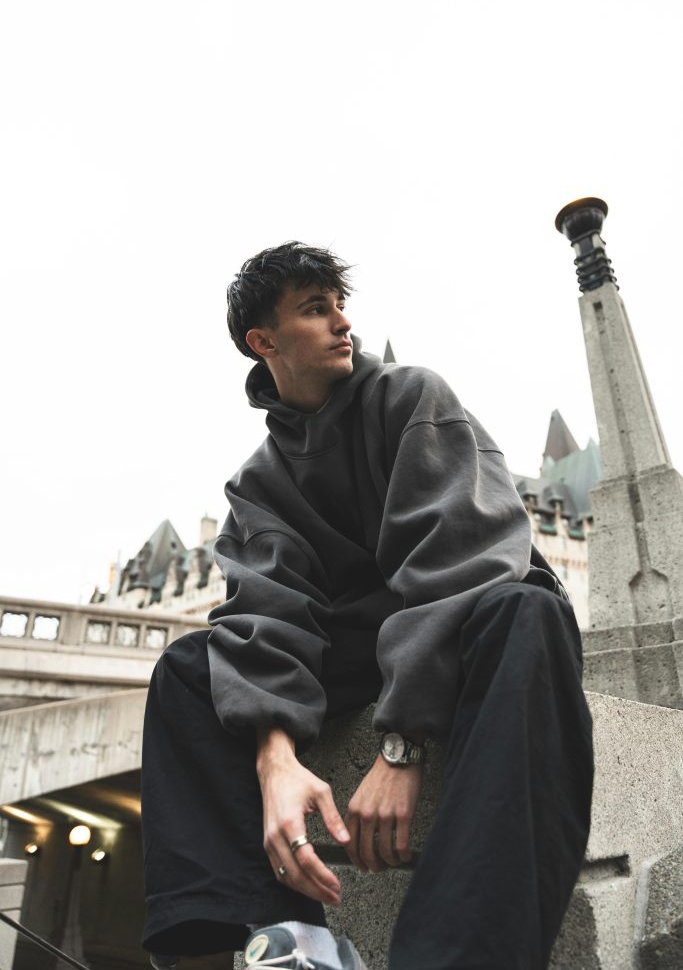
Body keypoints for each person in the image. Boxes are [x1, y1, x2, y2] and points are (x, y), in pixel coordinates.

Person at [141, 242, 594, 970]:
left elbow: (461, 562)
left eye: (339, 306)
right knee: (187, 669)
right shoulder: (257, 486)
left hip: (460, 631)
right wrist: (274, 757)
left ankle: (458, 954)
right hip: (352, 656)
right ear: (263, 342)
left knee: (528, 613)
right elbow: (265, 619)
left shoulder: (411, 398)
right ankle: (283, 945)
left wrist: (401, 744)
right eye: (315, 310)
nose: (340, 323)